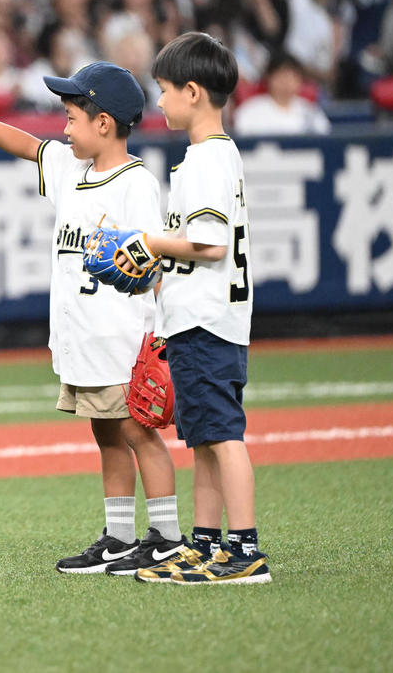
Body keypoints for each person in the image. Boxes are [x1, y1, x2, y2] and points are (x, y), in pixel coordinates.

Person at [0, 63, 184, 576]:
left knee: (140, 433)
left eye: (72, 117)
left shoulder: (134, 183)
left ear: (104, 123)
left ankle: (166, 538)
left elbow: (152, 261)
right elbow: (28, 145)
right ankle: (119, 537)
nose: (64, 128)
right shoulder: (73, 170)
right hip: (82, 337)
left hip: (121, 337)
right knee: (106, 434)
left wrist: (157, 326)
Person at [117, 33, 269, 585]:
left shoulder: (207, 158)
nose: (158, 101)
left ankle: (245, 549)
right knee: (204, 437)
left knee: (222, 435)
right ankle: (205, 544)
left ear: (193, 91)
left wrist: (151, 244)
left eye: (163, 89)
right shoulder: (212, 155)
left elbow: (208, 244)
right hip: (203, 315)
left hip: (207, 318)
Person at [234, 53, 330, 136]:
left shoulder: (310, 111)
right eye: (282, 75)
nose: (286, 81)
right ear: (269, 77)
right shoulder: (249, 112)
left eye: (292, 76)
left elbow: (324, 137)